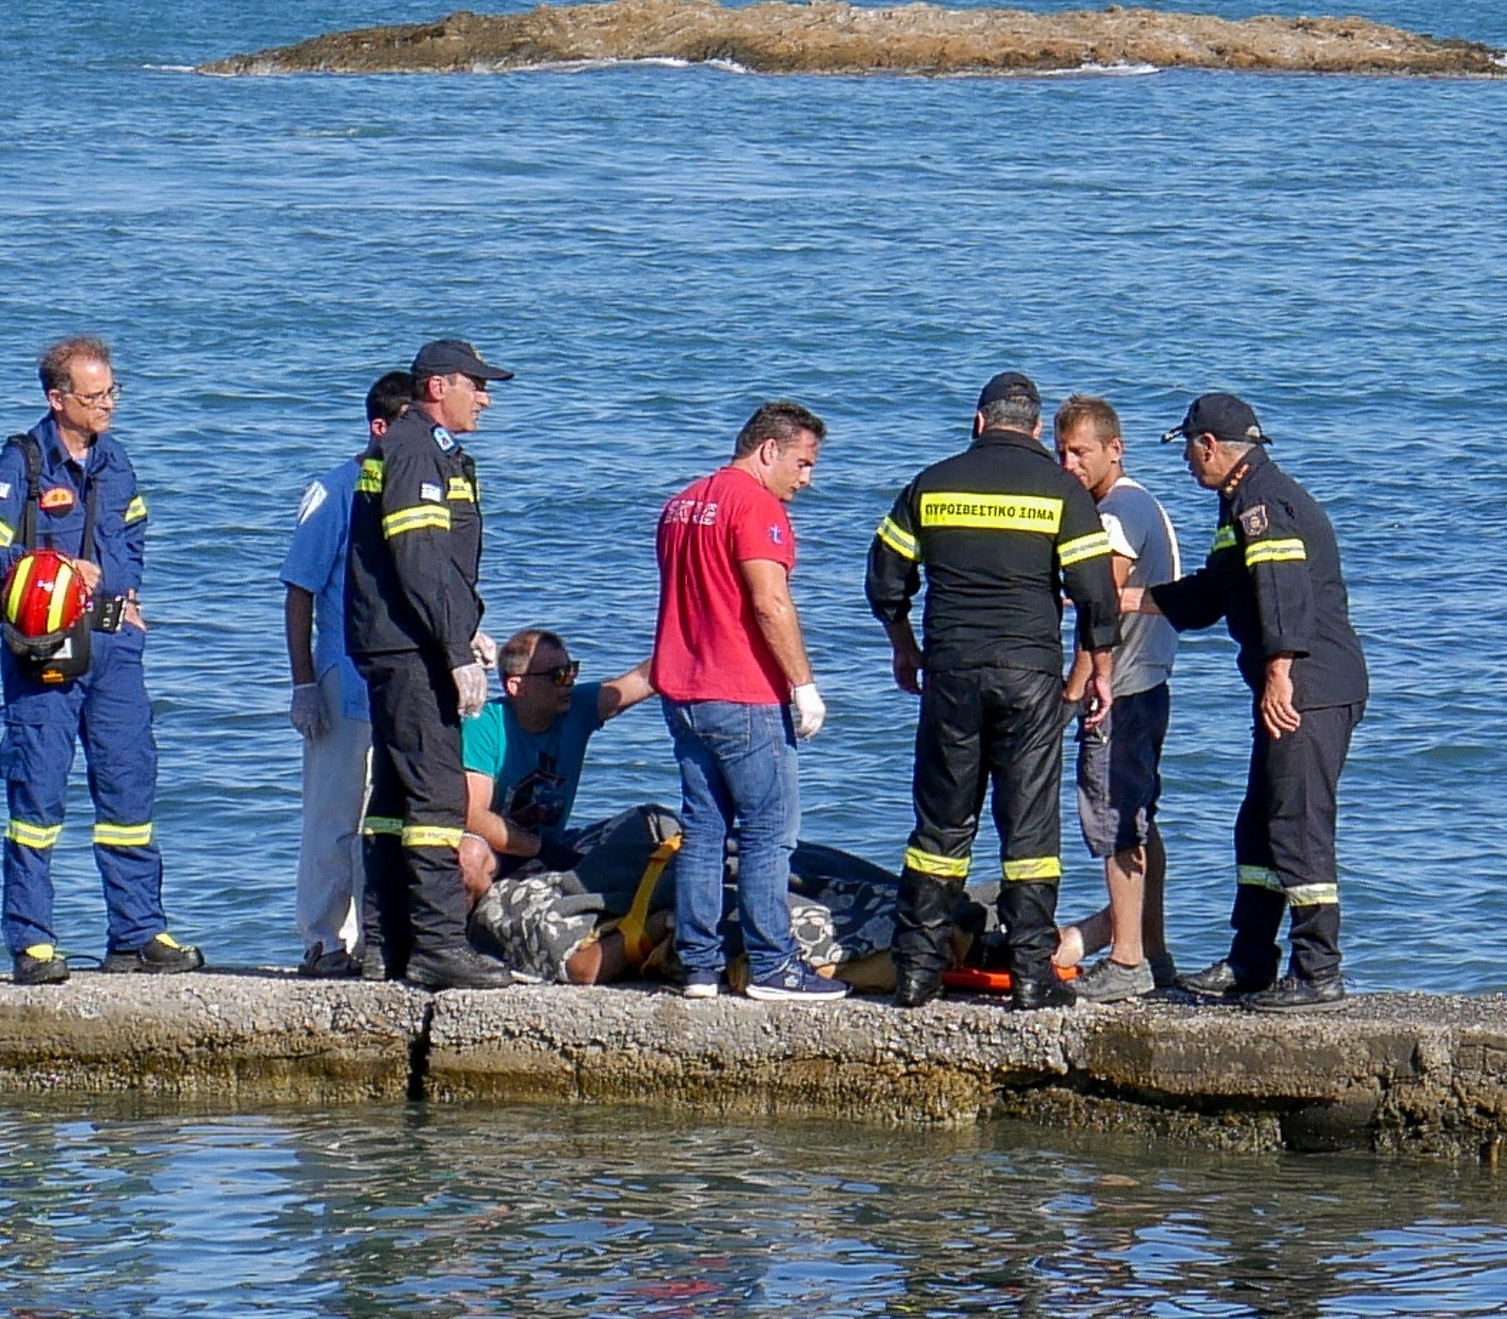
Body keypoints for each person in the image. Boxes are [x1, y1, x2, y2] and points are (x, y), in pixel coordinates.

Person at [0, 336, 203, 986]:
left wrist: (127, 592)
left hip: (115, 649)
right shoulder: (22, 464)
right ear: (57, 399)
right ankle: (32, 942)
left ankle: (137, 933)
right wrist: (52, 569)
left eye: (112, 392)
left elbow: (135, 534)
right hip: (46, 652)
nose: (108, 405)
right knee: (36, 794)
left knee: (130, 786)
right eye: (94, 396)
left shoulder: (116, 461)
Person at [865, 371, 1121, 1012]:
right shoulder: (1062, 491)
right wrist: (1099, 672)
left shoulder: (932, 484)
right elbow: (1097, 595)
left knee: (940, 826)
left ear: (980, 422)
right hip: (1030, 677)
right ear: (1035, 428)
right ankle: (1032, 975)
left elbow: (886, 580)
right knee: (1029, 829)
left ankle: (917, 972)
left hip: (951, 672)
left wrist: (904, 647)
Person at [1143, 392, 1369, 1010]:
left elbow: (1282, 591)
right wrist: (1122, 600)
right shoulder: (1240, 500)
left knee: (1297, 824)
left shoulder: (1262, 502)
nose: (1186, 462)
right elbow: (1214, 594)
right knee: (1259, 824)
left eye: (1188, 449)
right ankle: (1251, 960)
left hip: (1309, 687)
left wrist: (1278, 675)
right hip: (1298, 682)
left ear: (1209, 445)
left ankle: (1318, 970)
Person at [650, 401, 848, 1001]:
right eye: (803, 462)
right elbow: (770, 602)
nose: (807, 478)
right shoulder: (756, 506)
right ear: (768, 450)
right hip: (742, 692)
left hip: (683, 691)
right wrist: (803, 685)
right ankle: (772, 964)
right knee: (768, 832)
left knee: (703, 830)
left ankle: (699, 966)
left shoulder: (681, 504)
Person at [344, 337, 519, 991]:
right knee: (438, 793)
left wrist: (467, 629)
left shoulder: (425, 449)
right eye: (477, 385)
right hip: (410, 646)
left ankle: (386, 942)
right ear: (439, 386)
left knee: (395, 794)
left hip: (403, 639)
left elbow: (435, 567)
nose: (485, 399)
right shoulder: (416, 448)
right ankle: (439, 944)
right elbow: (418, 556)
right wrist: (452, 647)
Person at [282, 370, 417, 979]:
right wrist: (304, 684)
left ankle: (373, 943)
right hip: (342, 678)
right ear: (379, 427)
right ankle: (322, 939)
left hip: (398, 683)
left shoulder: (415, 493)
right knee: (333, 816)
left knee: (383, 818)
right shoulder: (334, 492)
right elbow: (299, 591)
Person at [1050, 395, 1183, 995]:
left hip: (1120, 693)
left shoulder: (1117, 514)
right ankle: (1152, 952)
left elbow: (1099, 613)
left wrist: (1072, 693)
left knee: (1115, 824)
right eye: (1061, 452)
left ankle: (1126, 959)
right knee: (1139, 821)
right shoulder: (1141, 502)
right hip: (1148, 684)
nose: (1069, 464)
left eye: (1080, 452)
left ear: (1114, 449)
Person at [460, 628, 653, 889]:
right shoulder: (485, 724)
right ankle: (483, 912)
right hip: (496, 849)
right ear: (516, 686)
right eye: (557, 675)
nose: (569, 681)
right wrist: (541, 849)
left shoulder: (578, 709)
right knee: (469, 858)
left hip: (554, 845)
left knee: (648, 828)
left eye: (571, 670)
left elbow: (644, 679)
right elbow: (473, 815)